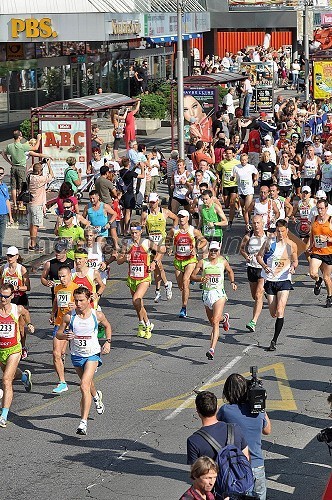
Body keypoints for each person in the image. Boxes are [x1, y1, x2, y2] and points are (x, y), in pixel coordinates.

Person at [56, 286, 112, 435]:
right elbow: (59, 334)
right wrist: (65, 336)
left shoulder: (96, 315)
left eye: (81, 300)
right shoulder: (69, 316)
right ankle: (96, 397)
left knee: (83, 385)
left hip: (92, 354)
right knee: (88, 385)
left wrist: (108, 342)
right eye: (76, 300)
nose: (78, 303)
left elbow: (107, 326)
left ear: (89, 300)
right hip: (76, 355)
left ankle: (83, 423)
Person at [217, 374, 272, 500]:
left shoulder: (225, 410)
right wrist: (261, 405)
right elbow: (267, 430)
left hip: (236, 468)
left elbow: (216, 427)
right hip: (256, 466)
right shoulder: (258, 411)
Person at [256, 219, 298, 351]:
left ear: (287, 231)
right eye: (278, 231)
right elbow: (259, 256)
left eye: (283, 231)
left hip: (284, 281)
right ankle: (275, 334)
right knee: (273, 313)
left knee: (280, 310)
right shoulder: (269, 242)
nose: (280, 233)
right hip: (270, 281)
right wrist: (264, 266)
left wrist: (293, 267)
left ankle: (274, 341)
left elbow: (295, 260)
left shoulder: (291, 245)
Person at [191, 242, 236, 361]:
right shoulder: (203, 262)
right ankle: (224, 318)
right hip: (207, 294)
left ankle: (212, 349)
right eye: (211, 250)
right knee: (212, 321)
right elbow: (192, 276)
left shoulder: (223, 262)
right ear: (209, 251)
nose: (213, 253)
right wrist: (201, 279)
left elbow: (230, 271)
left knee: (215, 322)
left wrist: (232, 282)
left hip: (219, 294)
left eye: (216, 251)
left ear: (219, 251)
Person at [0, 283, 34, 428]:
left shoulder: (17, 309)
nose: (3, 299)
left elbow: (26, 313)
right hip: (1, 350)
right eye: (1, 296)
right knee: (13, 374)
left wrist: (29, 324)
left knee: (7, 380)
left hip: (14, 349)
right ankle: (25, 377)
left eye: (6, 296)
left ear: (12, 296)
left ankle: (3, 415)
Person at [117, 223, 159, 338]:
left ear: (141, 232)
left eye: (136, 233)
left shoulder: (146, 243)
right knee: (138, 305)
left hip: (144, 278)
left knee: (136, 299)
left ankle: (146, 325)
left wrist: (154, 263)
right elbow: (119, 261)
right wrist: (125, 258)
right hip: (132, 278)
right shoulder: (127, 244)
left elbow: (160, 251)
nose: (134, 235)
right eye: (132, 233)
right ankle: (143, 324)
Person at [187, 391, 249, 464]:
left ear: (197, 410)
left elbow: (196, 472)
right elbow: (246, 457)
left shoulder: (193, 441)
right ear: (217, 408)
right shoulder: (235, 429)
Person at [167, 210, 207, 318]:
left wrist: (196, 248)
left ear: (187, 218)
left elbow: (204, 241)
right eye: (179, 216)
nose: (181, 218)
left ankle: (184, 307)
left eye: (183, 217)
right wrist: (169, 248)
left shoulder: (193, 230)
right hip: (178, 260)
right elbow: (167, 239)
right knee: (181, 286)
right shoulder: (174, 230)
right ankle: (193, 281)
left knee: (185, 281)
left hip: (190, 260)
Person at [141, 193, 176, 302]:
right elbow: (142, 227)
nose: (151, 204)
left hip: (162, 242)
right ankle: (165, 285)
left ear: (158, 202)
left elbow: (176, 218)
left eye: (153, 202)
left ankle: (159, 291)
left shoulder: (164, 212)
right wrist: (141, 229)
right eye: (150, 202)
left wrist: (172, 232)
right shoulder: (145, 214)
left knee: (156, 263)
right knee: (157, 267)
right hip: (151, 243)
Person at [50, 266, 78, 394]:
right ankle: (62, 382)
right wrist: (53, 313)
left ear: (70, 276)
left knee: (70, 353)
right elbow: (56, 300)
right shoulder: (57, 288)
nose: (61, 279)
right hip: (59, 324)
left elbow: (87, 304)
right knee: (56, 353)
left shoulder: (76, 288)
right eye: (59, 276)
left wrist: (76, 306)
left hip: (73, 325)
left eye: (64, 276)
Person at [0, 247, 31, 359]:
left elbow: (28, 287)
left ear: (17, 256)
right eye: (8, 255)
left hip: (19, 299)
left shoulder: (21, 269)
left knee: (21, 327)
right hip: (7, 300)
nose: (9, 258)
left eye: (12, 256)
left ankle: (22, 347)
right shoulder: (3, 268)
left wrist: (17, 287)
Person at [240, 215, 267, 332]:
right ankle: (263, 295)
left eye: (258, 223)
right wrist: (246, 256)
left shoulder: (268, 237)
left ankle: (253, 321)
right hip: (251, 268)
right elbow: (241, 249)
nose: (256, 225)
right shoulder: (248, 236)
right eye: (254, 223)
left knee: (258, 295)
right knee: (254, 296)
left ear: (263, 223)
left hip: (263, 269)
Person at [2, 130, 41, 209]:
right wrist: (38, 139)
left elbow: (3, 153)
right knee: (21, 186)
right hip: (21, 168)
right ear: (19, 137)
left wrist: (10, 162)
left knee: (13, 186)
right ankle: (20, 204)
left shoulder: (10, 146)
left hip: (13, 167)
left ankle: (15, 204)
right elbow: (36, 148)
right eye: (21, 136)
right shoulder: (22, 146)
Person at [309, 198, 332, 308]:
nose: (320, 211)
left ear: (326, 209)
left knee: (327, 278)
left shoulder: (331, 220)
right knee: (313, 273)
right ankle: (318, 280)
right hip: (316, 251)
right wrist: (310, 245)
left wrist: (328, 239)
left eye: (322, 209)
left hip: (328, 253)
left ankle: (329, 297)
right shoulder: (314, 219)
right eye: (318, 208)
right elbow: (312, 233)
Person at [27, 159, 54, 251]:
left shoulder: (29, 176)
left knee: (31, 224)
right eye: (41, 170)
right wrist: (49, 164)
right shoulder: (39, 179)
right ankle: (33, 245)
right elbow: (51, 176)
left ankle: (32, 242)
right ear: (39, 171)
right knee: (35, 225)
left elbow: (31, 168)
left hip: (30, 203)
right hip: (37, 204)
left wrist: (41, 163)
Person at [118, 157, 146, 235]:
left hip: (121, 193)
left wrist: (135, 167)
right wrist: (142, 167)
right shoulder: (130, 173)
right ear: (129, 164)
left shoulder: (120, 171)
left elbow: (128, 172)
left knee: (122, 212)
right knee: (128, 212)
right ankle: (126, 230)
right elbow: (142, 176)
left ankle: (122, 230)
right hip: (129, 194)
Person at [231, 153, 258, 230]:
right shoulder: (236, 167)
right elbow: (233, 176)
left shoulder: (251, 167)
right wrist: (232, 178)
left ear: (247, 160)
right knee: (243, 209)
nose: (243, 161)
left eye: (245, 160)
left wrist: (255, 180)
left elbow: (256, 173)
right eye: (242, 160)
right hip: (240, 190)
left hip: (249, 190)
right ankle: (248, 221)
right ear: (240, 160)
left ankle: (247, 225)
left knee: (247, 208)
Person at [216, 147, 239, 228]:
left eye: (230, 153)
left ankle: (230, 221)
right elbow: (218, 171)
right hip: (225, 185)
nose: (228, 155)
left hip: (234, 185)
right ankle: (236, 202)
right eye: (227, 153)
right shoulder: (222, 163)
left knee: (232, 204)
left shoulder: (237, 162)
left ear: (233, 154)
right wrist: (218, 178)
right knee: (226, 204)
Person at [0, 165, 14, 255]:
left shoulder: (4, 186)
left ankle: (0, 256)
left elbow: (7, 201)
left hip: (3, 214)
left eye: (1, 174)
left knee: (1, 237)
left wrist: (10, 216)